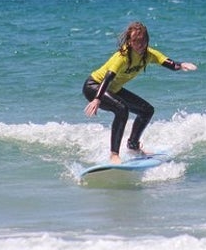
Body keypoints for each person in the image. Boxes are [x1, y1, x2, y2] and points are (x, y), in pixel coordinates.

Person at [83, 21, 197, 164]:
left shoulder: (149, 54)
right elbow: (108, 77)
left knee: (146, 110)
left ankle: (133, 146)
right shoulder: (122, 56)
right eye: (136, 42)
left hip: (113, 89)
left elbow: (168, 63)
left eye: (143, 41)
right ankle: (114, 155)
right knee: (121, 109)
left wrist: (180, 65)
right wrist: (97, 99)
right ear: (130, 41)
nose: (140, 45)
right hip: (95, 87)